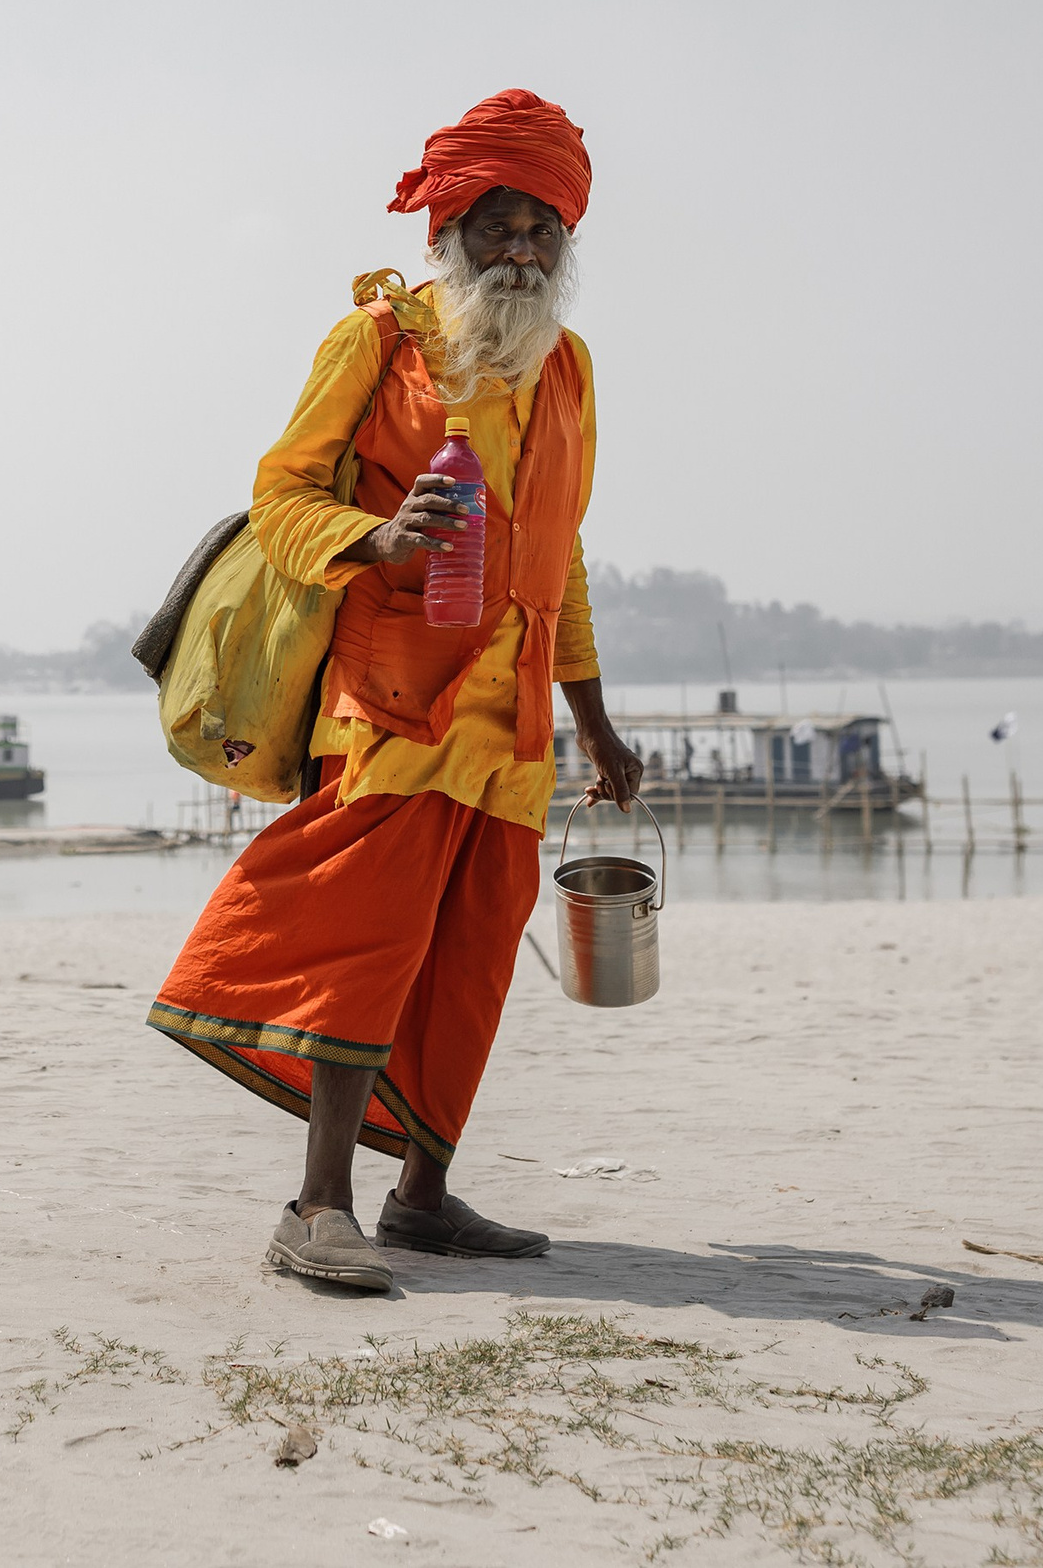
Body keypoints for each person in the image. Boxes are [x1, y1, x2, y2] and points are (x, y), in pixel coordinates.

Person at [146, 90, 644, 1293]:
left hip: (511, 723)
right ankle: (317, 1205)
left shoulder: (568, 368)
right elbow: (280, 496)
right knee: (365, 942)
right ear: (446, 231)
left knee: (467, 960)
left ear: (566, 241)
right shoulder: (375, 341)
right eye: (496, 226)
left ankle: (422, 1196)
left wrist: (592, 720)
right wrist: (375, 537)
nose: (519, 250)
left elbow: (559, 551)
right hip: (390, 698)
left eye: (541, 229)